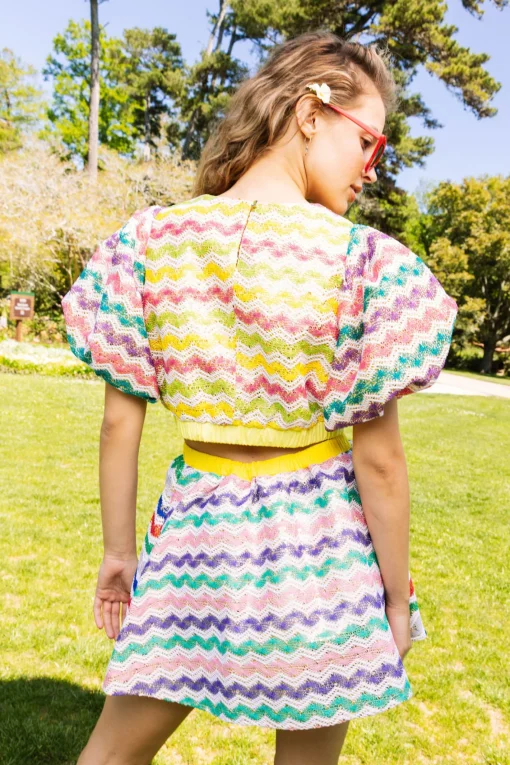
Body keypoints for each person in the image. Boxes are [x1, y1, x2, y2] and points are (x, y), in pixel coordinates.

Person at [62, 29, 458, 765]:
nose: (372, 168)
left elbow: (120, 425)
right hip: (320, 549)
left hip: (194, 533)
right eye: (368, 142)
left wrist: (119, 554)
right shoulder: (361, 262)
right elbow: (380, 463)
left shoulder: (148, 242)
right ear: (311, 113)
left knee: (110, 755)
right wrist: (395, 599)